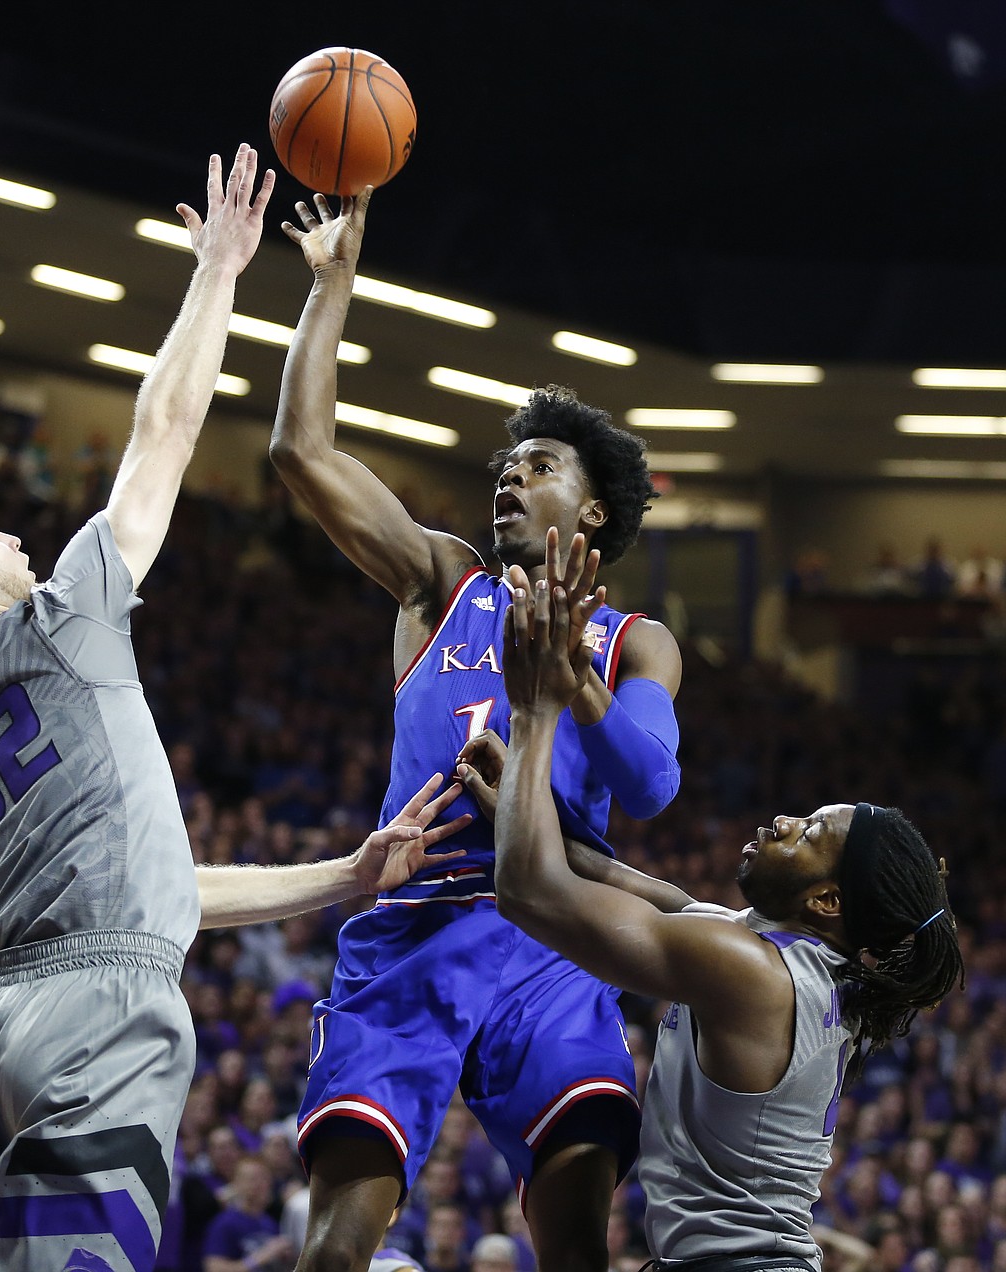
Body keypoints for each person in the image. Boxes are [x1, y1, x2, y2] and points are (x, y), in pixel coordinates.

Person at [0, 147, 467, 1272]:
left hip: (3, 1027)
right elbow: (163, 437)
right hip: (97, 1021)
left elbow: (151, 895)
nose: (17, 538)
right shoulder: (56, 628)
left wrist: (346, 874)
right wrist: (221, 271)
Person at [270, 189, 682, 1272]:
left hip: (552, 933)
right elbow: (301, 453)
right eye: (509, 463)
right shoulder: (442, 579)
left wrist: (567, 684)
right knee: (336, 1246)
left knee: (576, 1240)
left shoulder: (639, 643)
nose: (513, 472)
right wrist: (330, 287)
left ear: (591, 514)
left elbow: (649, 789)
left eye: (541, 465)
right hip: (410, 920)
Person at [475, 572, 965, 1272]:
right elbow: (639, 888)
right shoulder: (786, 961)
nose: (783, 820)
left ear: (827, 902)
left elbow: (528, 890)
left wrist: (531, 719)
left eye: (807, 834)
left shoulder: (749, 973)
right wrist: (523, 806)